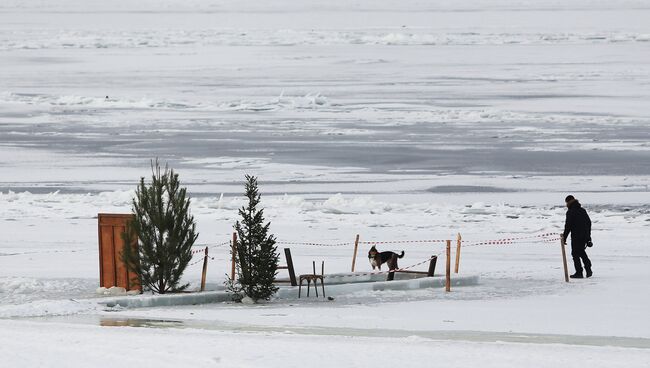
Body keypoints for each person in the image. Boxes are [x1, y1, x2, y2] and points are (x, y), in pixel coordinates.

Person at [561, 195, 593, 278]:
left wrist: (564, 238)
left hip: (576, 236)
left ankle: (579, 272)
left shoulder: (570, 212)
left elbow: (568, 226)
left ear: (568, 202)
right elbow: (588, 223)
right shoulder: (582, 210)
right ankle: (588, 268)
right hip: (584, 235)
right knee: (581, 252)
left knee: (575, 253)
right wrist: (588, 237)